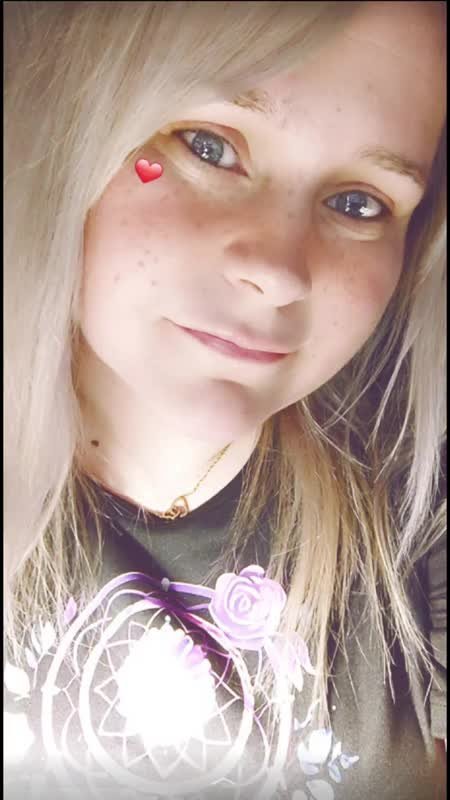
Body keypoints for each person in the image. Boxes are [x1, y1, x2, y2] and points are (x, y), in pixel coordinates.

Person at [4, 2, 446, 799]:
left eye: (359, 203)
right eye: (209, 146)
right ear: (70, 122)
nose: (278, 271)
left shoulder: (416, 502)